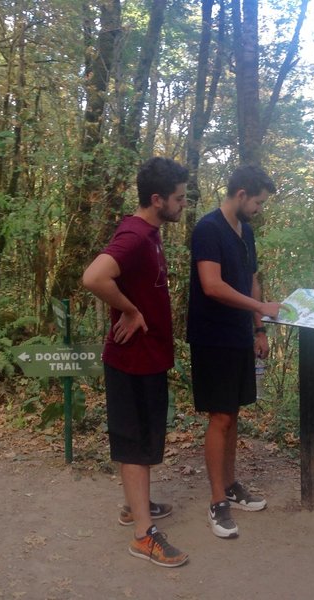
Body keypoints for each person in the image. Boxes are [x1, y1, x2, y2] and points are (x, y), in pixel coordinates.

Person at [82, 157, 189, 567]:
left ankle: (136, 505)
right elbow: (94, 277)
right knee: (135, 444)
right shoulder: (135, 235)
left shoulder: (151, 232)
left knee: (144, 440)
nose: (184, 205)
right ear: (157, 199)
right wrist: (129, 310)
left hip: (148, 357)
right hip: (132, 360)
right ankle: (144, 535)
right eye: (179, 199)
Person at [187, 165, 282, 539]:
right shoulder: (208, 229)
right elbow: (211, 285)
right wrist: (260, 309)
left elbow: (252, 280)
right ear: (241, 194)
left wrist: (258, 328)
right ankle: (216, 501)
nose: (259, 209)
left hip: (241, 335)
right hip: (212, 337)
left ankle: (229, 484)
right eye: (257, 202)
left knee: (234, 414)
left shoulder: (247, 233)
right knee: (220, 417)